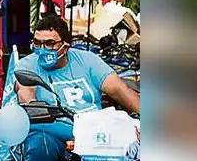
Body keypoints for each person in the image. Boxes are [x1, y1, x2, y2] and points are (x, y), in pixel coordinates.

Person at [16, 15, 140, 160]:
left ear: (66, 46)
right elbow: (26, 95)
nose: (42, 49)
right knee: (39, 146)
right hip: (52, 131)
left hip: (94, 130)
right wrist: (33, 106)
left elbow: (121, 92)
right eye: (37, 43)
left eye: (50, 43)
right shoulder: (28, 64)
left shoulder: (88, 60)